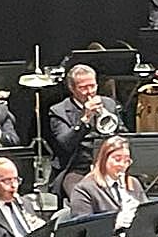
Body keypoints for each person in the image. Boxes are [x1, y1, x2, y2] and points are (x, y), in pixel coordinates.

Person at [48, 64, 123, 198]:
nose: (89, 92)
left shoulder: (109, 104)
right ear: (72, 88)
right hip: (77, 169)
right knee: (85, 199)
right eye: (83, 88)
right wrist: (85, 119)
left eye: (92, 86)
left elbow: (122, 134)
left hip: (107, 166)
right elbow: (65, 145)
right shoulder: (59, 111)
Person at [69, 136, 149, 237]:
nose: (123, 165)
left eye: (127, 160)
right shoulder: (84, 189)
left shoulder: (133, 184)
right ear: (103, 159)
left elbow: (149, 218)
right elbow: (83, 232)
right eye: (117, 159)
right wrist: (116, 223)